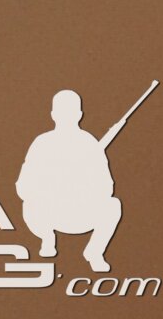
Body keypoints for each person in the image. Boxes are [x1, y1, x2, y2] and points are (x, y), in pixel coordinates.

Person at [17, 88, 125, 273]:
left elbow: (107, 187)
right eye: (62, 111)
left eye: (69, 111)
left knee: (113, 205)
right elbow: (23, 186)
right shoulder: (42, 143)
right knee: (29, 204)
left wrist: (81, 187)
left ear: (79, 115)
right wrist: (49, 189)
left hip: (81, 213)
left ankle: (94, 252)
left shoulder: (90, 144)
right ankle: (47, 238)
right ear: (53, 115)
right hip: (48, 214)